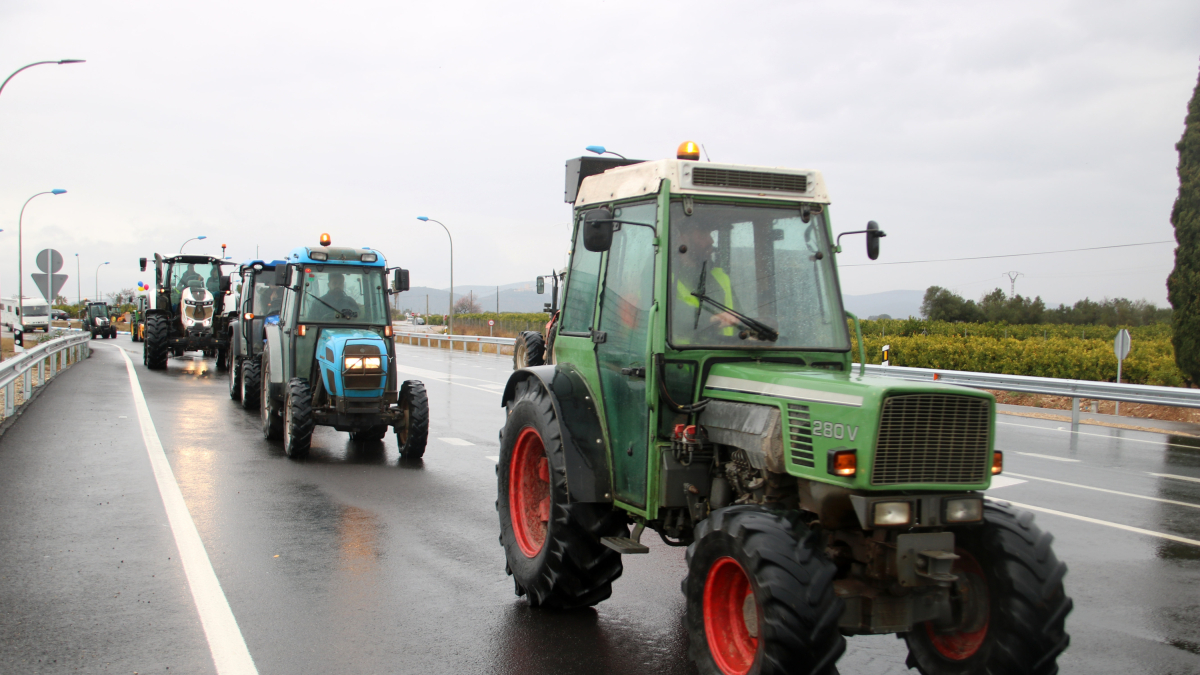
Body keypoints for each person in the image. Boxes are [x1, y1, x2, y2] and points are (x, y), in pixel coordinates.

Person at [671, 224, 741, 343]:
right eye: (703, 234)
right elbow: (669, 314)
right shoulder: (662, 278)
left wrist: (753, 331)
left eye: (710, 234)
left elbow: (737, 319)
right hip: (683, 357)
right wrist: (709, 319)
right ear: (682, 238)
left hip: (724, 354)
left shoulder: (720, 277)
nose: (711, 240)